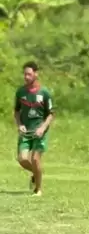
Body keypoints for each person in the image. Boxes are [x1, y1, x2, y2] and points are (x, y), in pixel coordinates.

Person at [14, 62, 54, 196]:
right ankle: (37, 173)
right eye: (25, 74)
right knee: (22, 159)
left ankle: (38, 189)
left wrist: (42, 128)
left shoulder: (44, 93)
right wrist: (20, 124)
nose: (26, 77)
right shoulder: (20, 92)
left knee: (36, 159)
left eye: (29, 74)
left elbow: (51, 114)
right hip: (26, 132)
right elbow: (16, 111)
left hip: (39, 132)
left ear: (36, 74)